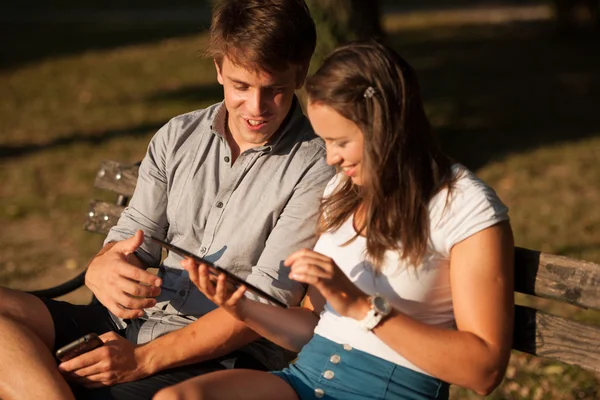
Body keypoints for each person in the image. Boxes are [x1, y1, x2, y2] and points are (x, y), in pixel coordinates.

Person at [0, 1, 334, 399]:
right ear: (218, 69)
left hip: (214, 358)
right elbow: (131, 237)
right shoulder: (178, 136)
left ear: (300, 73)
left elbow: (266, 305)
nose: (256, 108)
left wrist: (141, 360)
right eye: (240, 86)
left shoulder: (318, 163)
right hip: (126, 324)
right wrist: (105, 268)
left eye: (274, 90)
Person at [153, 40, 515, 400]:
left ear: (386, 128)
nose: (330, 159)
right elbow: (313, 326)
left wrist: (363, 308)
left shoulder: (463, 206)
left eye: (340, 142)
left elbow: (483, 371)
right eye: (325, 141)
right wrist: (242, 307)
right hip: (305, 380)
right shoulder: (343, 192)